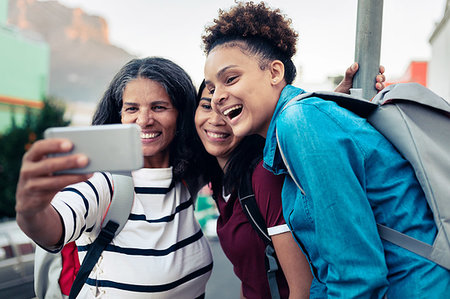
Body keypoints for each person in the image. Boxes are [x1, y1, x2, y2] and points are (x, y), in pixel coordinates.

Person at [201, 1, 450, 298]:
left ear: (275, 72)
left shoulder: (299, 122)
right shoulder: (296, 128)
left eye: (230, 79)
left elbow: (356, 277)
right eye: (213, 88)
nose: (218, 97)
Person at [16, 57, 213, 298]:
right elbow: (52, 227)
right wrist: (30, 209)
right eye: (132, 108)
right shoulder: (103, 183)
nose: (144, 120)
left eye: (158, 107)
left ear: (181, 114)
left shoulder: (187, 179)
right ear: (119, 115)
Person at [195, 80, 313, 298]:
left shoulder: (264, 176)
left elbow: (303, 289)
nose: (215, 120)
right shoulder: (223, 184)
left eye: (229, 110)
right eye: (205, 106)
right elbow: (250, 279)